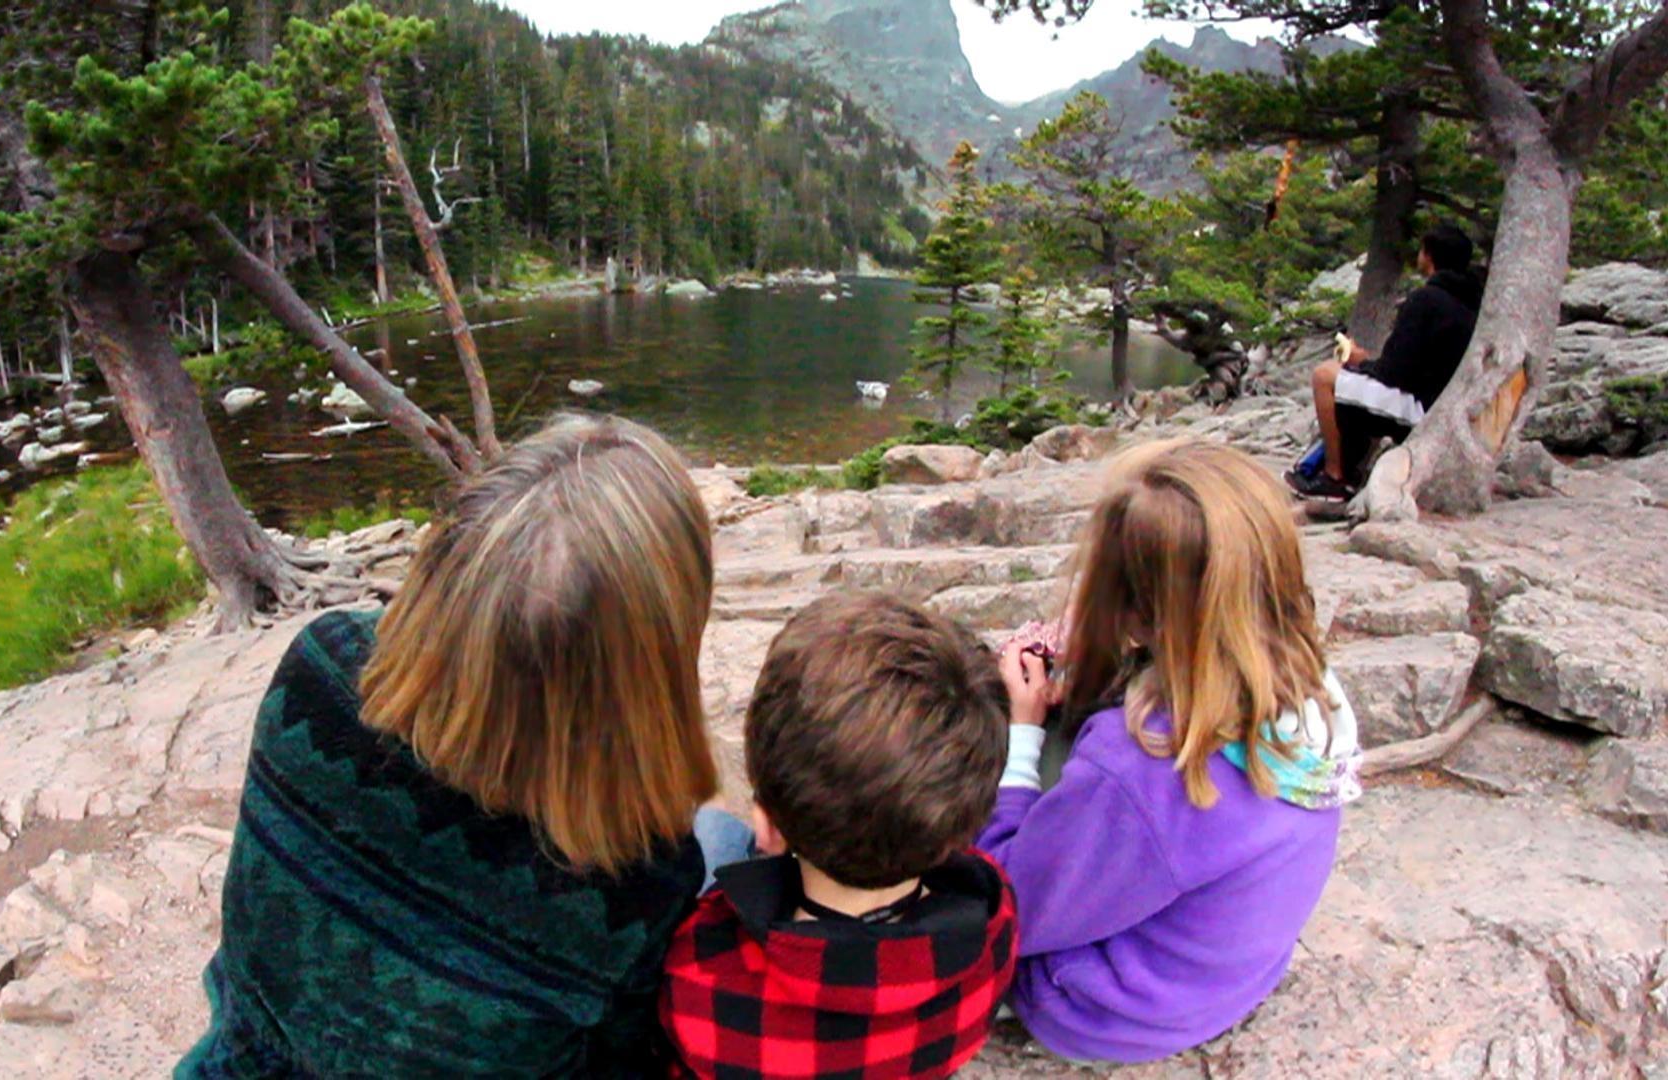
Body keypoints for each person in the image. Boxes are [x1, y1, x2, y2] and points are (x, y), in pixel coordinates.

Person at [178, 415, 721, 1077]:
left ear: (447, 564)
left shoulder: (319, 664)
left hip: (240, 1066)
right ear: (651, 664)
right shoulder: (638, 874)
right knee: (727, 845)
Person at [979, 438, 1362, 1064]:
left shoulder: (1137, 765)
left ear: (1132, 612)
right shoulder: (1311, 685)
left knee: (976, 774)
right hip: (1224, 980)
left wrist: (1022, 735)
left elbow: (1007, 904)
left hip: (1100, 1010)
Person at [662, 592, 1019, 1079]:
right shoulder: (994, 924)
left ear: (767, 829)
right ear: (955, 827)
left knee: (714, 830)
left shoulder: (697, 975)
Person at [1291, 224, 1484, 499]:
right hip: (1443, 402)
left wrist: (1360, 361)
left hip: (1420, 407)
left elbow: (1393, 373)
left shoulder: (1427, 300)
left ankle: (1334, 477)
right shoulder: (1470, 304)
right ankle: (1350, 467)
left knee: (1325, 376)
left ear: (1428, 257)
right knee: (1353, 386)